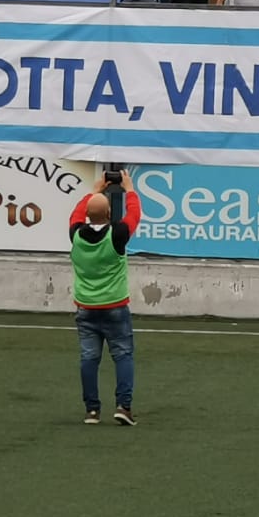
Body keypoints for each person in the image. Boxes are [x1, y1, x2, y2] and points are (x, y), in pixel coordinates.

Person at [68, 172, 143, 426]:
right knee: (123, 355)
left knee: (89, 359)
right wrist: (130, 190)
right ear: (110, 213)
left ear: (89, 215)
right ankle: (124, 406)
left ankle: (92, 410)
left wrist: (94, 190)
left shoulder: (76, 235)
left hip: (86, 307)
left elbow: (76, 216)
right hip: (115, 306)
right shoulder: (117, 234)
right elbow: (134, 216)